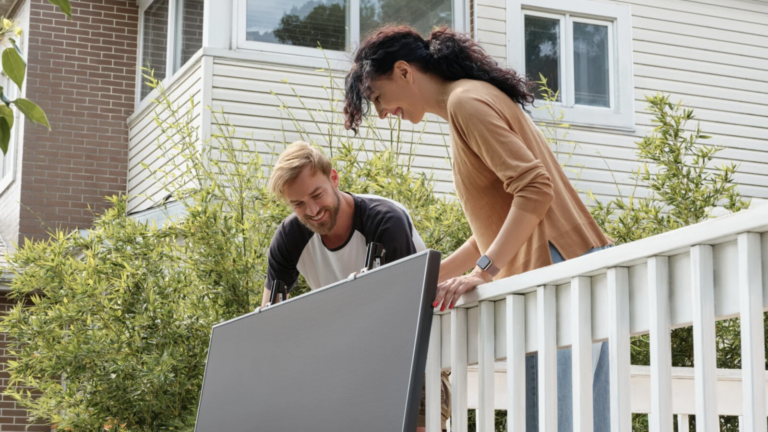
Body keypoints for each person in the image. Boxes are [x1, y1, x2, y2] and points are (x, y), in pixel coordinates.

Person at [343, 26, 614, 432]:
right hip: (567, 269)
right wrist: (424, 278)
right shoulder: (466, 102)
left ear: (403, 71)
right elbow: (494, 225)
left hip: (557, 271)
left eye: (378, 98)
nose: (382, 113)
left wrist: (483, 272)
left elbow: (534, 190)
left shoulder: (467, 102)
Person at [263, 141, 452, 431]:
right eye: (298, 204)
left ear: (334, 179)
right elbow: (269, 320)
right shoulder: (289, 238)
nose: (312, 210)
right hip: (349, 370)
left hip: (416, 362)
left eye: (317, 195)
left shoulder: (386, 221)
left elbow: (404, 314)